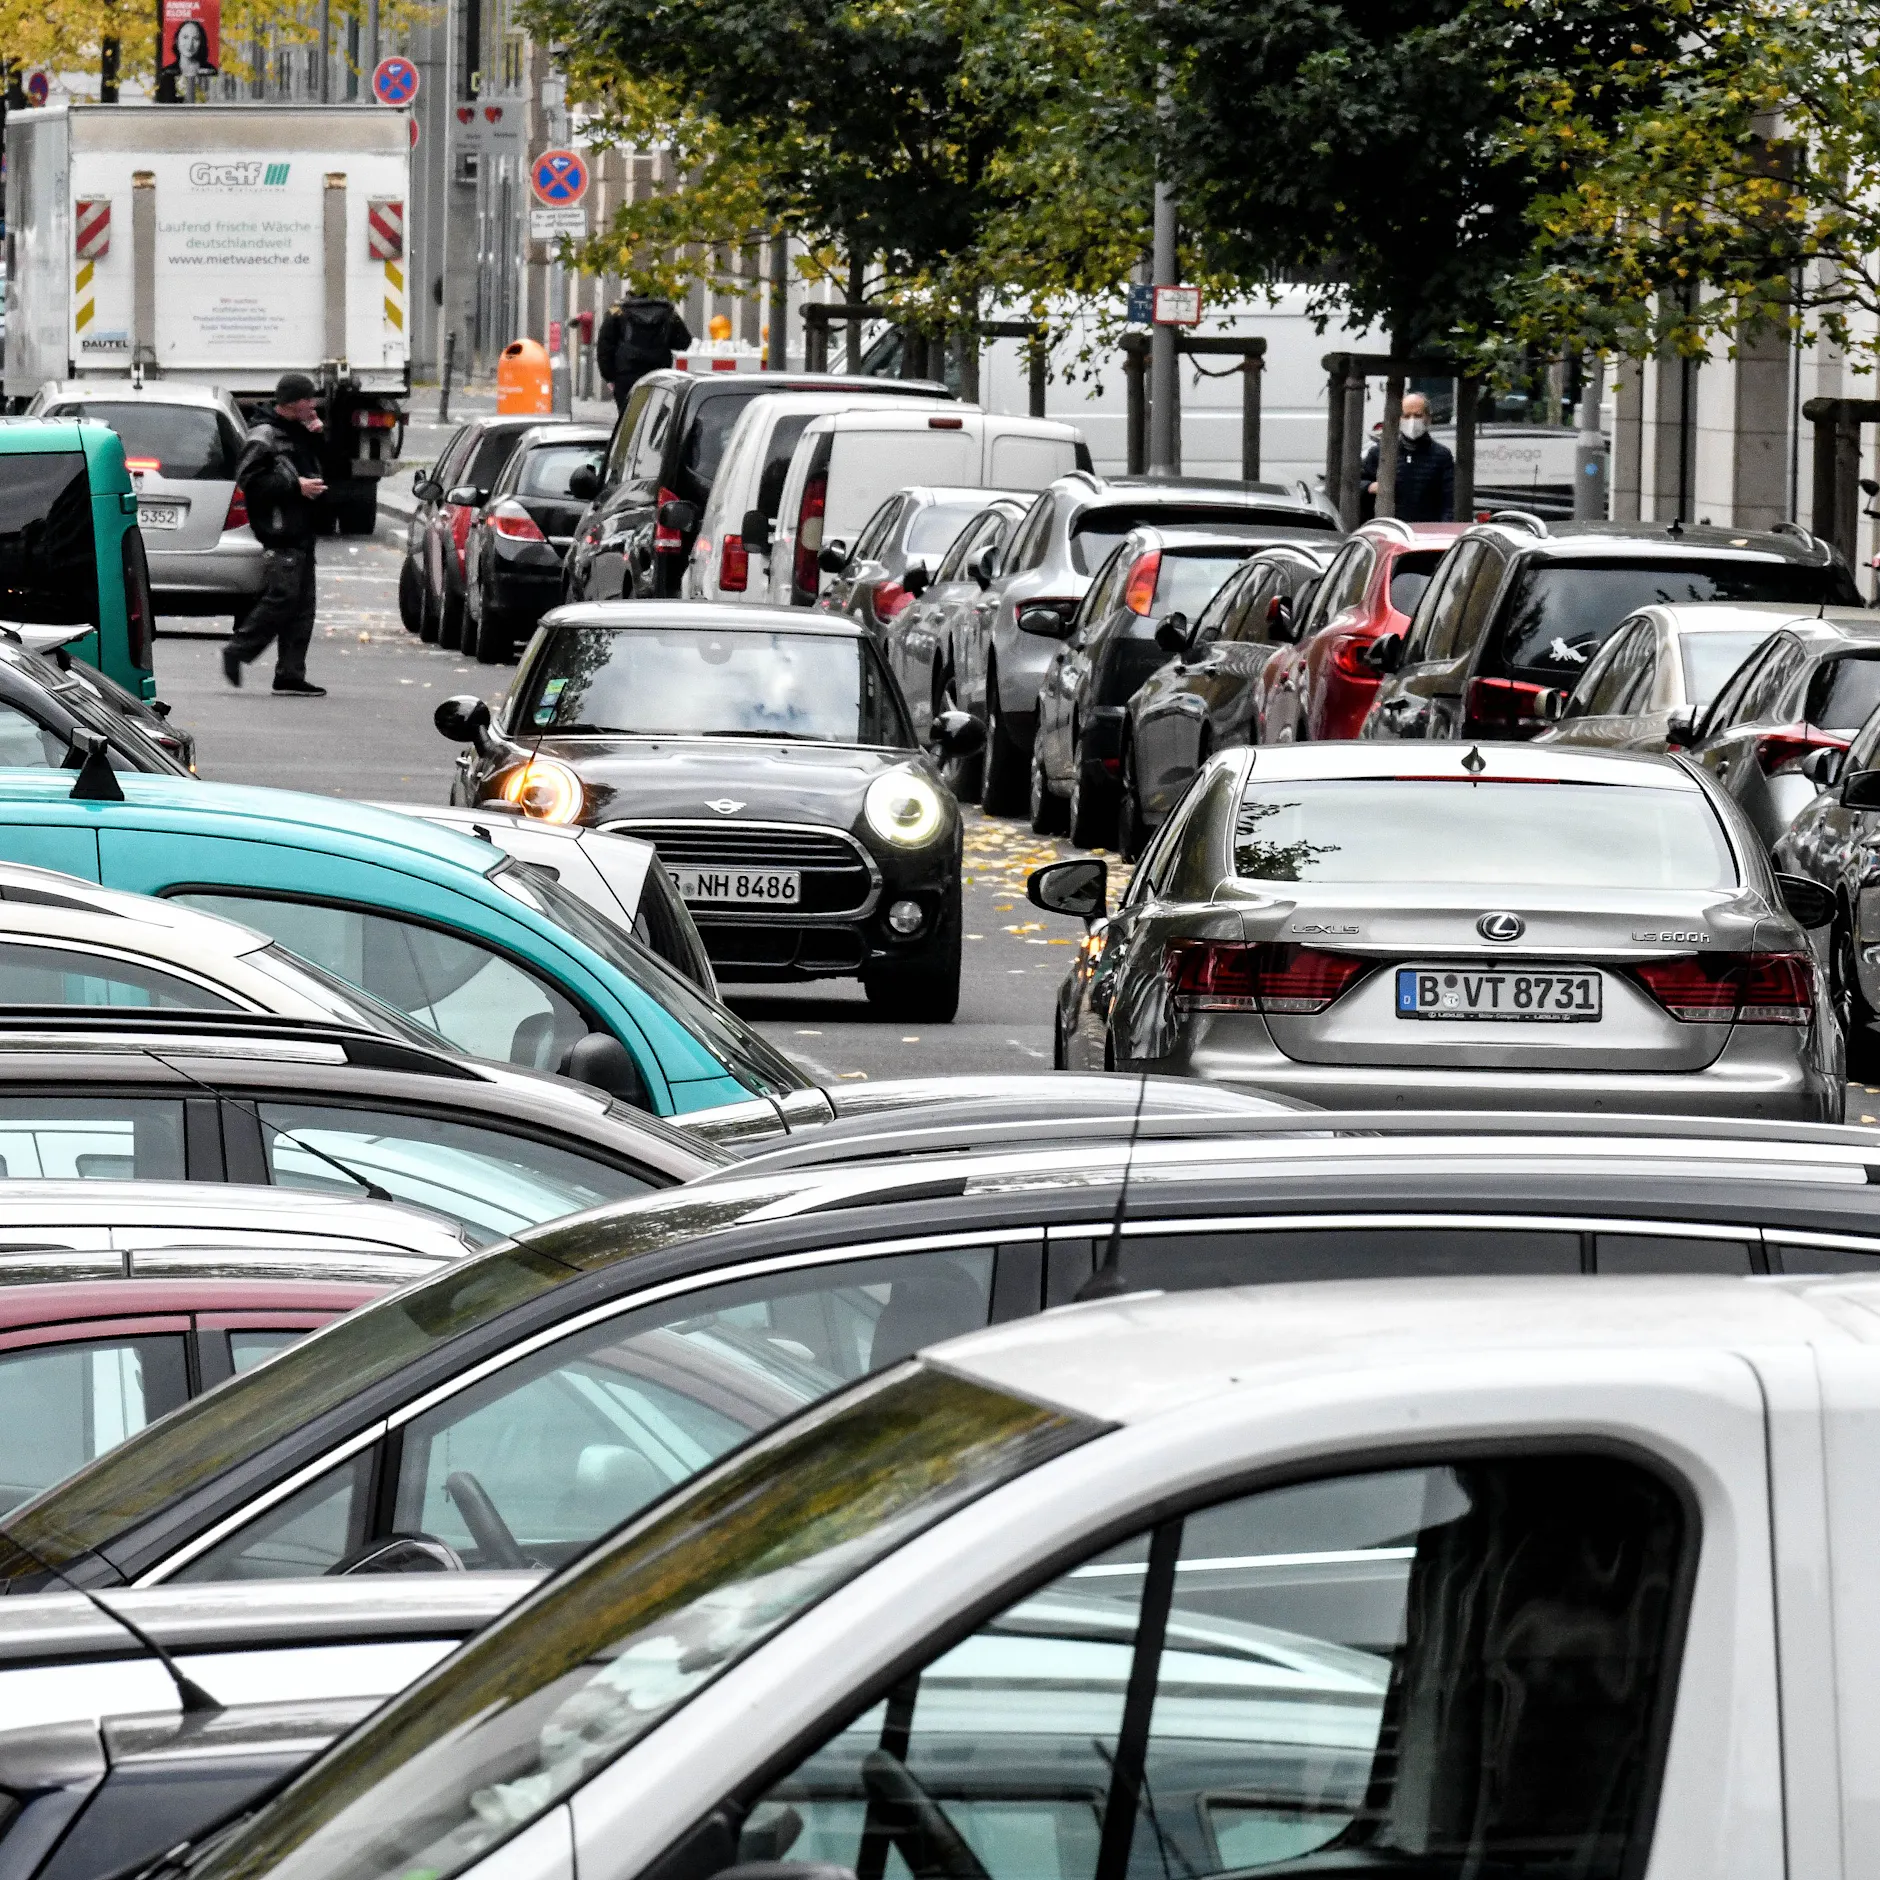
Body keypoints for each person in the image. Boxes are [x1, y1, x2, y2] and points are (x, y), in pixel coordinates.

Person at [224, 372, 327, 697]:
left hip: (302, 528)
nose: (313, 405)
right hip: (281, 530)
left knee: (303, 606)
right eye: (308, 399)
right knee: (283, 599)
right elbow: (249, 479)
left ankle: (290, 674)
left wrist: (318, 437)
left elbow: (327, 468)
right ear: (294, 402)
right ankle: (237, 650)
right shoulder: (265, 433)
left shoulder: (300, 432)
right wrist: (295, 487)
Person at [1359, 391, 1455, 523]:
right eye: (1406, 416)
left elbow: (1448, 501)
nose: (1412, 421)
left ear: (1428, 418)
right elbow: (1357, 484)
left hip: (1426, 531)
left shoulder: (1441, 456)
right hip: (1389, 529)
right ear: (1399, 418)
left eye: (1418, 415)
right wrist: (1370, 487)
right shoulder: (1380, 453)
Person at [596, 294, 693, 410]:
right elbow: (684, 342)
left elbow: (605, 346)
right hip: (659, 374)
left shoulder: (617, 310)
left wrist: (609, 377)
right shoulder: (668, 312)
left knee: (628, 418)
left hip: (626, 374)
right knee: (655, 416)